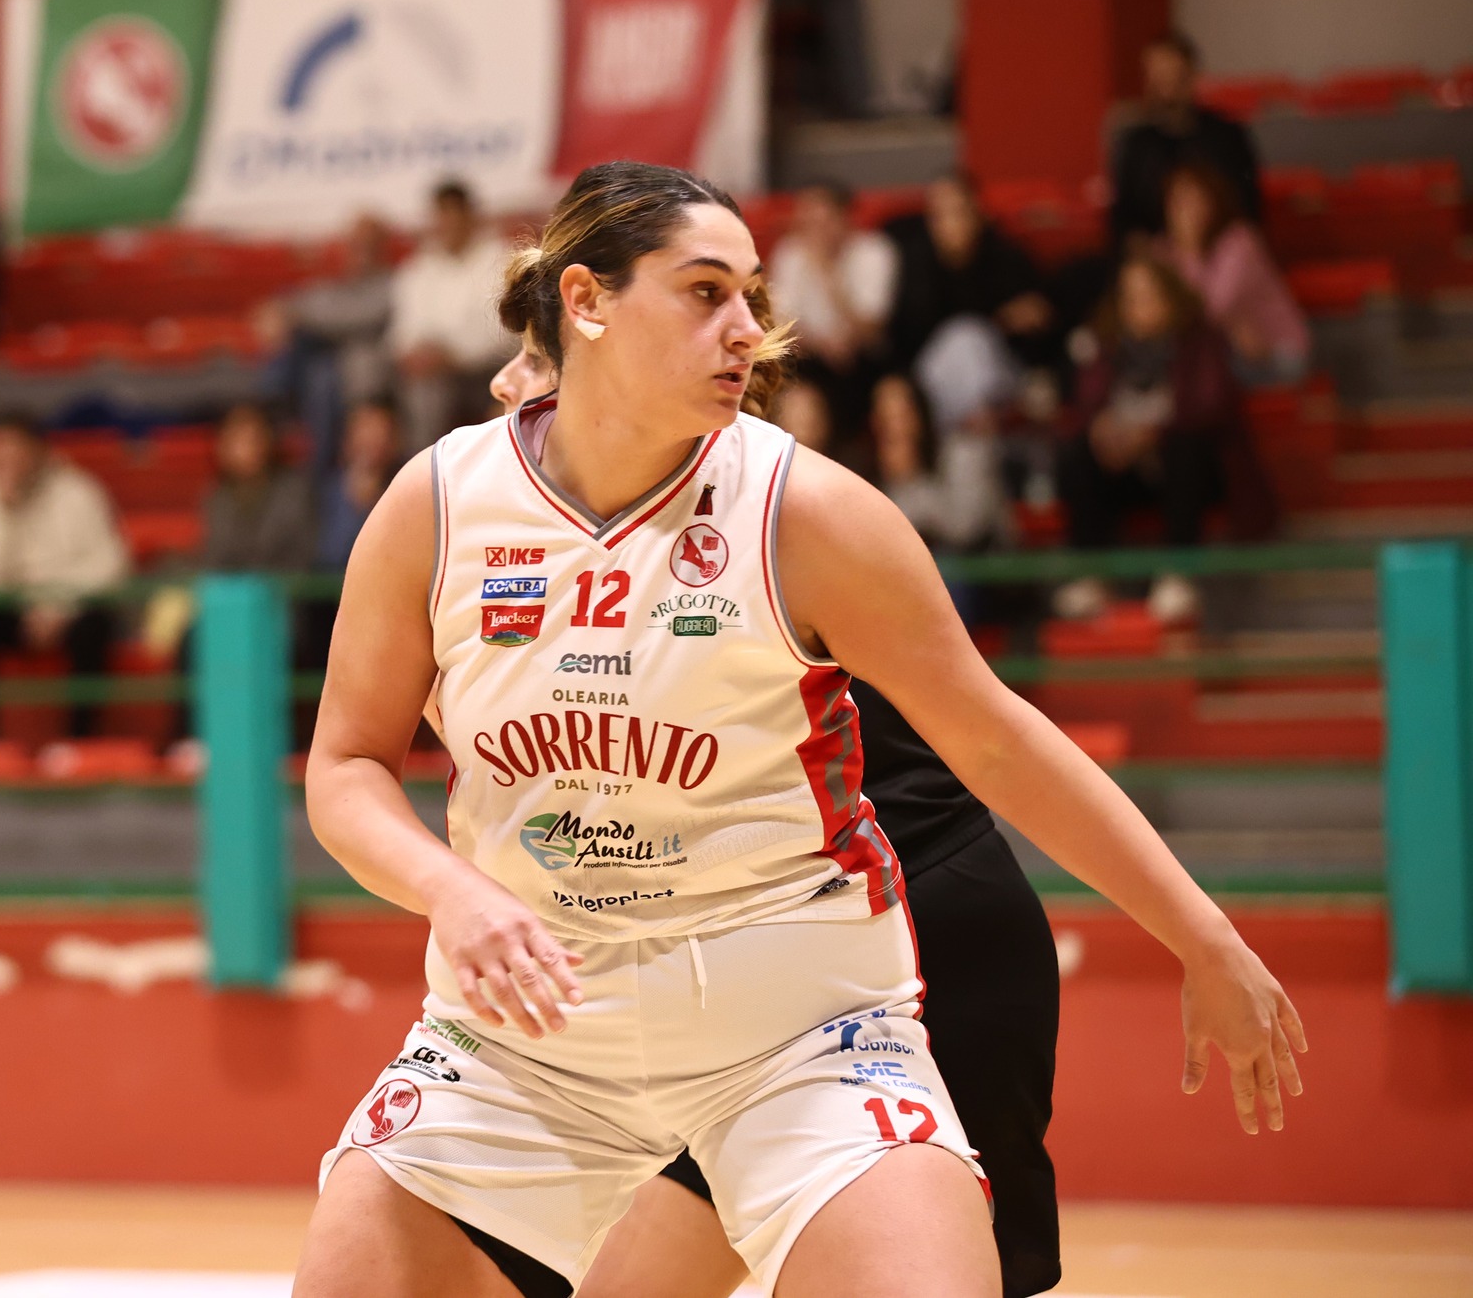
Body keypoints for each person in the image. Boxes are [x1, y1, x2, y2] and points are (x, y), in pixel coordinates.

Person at [293, 161, 1304, 1298]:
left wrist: (1202, 937)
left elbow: (998, 743)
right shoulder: (436, 504)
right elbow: (345, 764)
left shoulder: (810, 512)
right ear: (584, 302)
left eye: (752, 296)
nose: (748, 329)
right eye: (704, 292)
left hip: (797, 1028)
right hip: (527, 1035)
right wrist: (452, 891)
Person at [485, 335, 1055, 1298]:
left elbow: (999, 741)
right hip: (761, 975)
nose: (505, 381)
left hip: (916, 936)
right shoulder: (540, 540)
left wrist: (1199, 937)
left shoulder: (781, 517)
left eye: (535, 357)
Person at [1054, 256, 1250, 625]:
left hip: (1187, 468)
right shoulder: (1105, 345)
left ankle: (1179, 575)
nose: (1138, 306)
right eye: (1130, 297)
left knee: (1185, 450)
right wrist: (1101, 431)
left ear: (1170, 296)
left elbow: (1210, 406)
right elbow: (1086, 406)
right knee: (1076, 454)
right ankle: (1091, 575)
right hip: (1124, 468)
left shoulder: (1198, 340)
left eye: (1148, 295)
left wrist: (1152, 436)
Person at [0, 411, 130, 741]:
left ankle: (81, 740)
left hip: (71, 609)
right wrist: (4, 514)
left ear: (40, 451)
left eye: (18, 449)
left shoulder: (80, 493)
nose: (11, 460)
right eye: (2, 451)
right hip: (13, 609)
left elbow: (111, 565)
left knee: (95, 626)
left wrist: (58, 607)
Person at [887, 174, 1056, 399]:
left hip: (1002, 374)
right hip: (936, 381)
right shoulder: (915, 264)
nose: (951, 224)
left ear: (977, 213)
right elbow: (913, 334)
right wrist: (1001, 320)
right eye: (940, 215)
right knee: (966, 340)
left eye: (958, 212)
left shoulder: (1008, 258)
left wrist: (1032, 316)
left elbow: (1039, 319)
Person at [256, 214, 397, 478]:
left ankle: (319, 469)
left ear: (382, 249)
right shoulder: (335, 287)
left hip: (368, 386)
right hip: (325, 373)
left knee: (322, 377)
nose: (361, 254)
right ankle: (270, 406)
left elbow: (354, 317)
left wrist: (295, 314)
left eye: (369, 245)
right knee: (302, 353)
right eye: (355, 246)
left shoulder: (393, 285)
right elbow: (294, 306)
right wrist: (281, 311)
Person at [389, 180, 517, 454]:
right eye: (441, 216)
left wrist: (451, 356)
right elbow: (404, 329)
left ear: (470, 216)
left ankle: (427, 468)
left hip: (484, 373)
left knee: (428, 392)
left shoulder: (502, 260)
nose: (447, 224)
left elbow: (503, 331)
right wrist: (415, 353)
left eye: (453, 215)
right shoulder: (419, 267)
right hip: (427, 372)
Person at [1153, 162, 1309, 385]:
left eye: (1196, 199)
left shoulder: (1240, 241)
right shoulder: (1162, 251)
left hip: (1276, 352)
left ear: (1214, 202)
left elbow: (1211, 309)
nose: (1187, 210)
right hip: (1212, 353)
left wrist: (1190, 249)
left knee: (1194, 381)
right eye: (1178, 201)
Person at [766, 181, 896, 438]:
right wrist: (822, 344)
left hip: (865, 361)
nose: (815, 232)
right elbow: (780, 325)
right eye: (808, 223)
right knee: (798, 400)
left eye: (823, 222)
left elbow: (871, 330)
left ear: (845, 219)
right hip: (809, 358)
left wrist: (827, 272)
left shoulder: (874, 251)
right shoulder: (791, 253)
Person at [1110, 32, 1262, 246]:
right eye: (1159, 80)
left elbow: (1247, 210)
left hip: (1217, 251)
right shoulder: (1137, 144)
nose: (1167, 90)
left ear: (1192, 76)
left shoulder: (1227, 136)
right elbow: (1124, 219)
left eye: (1175, 78)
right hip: (1155, 254)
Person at [868, 373, 1005, 553]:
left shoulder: (962, 453)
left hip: (986, 560)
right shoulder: (868, 470)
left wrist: (911, 480)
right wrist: (899, 480)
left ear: (921, 416)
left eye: (901, 416)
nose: (895, 429)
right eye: (885, 419)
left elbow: (964, 528)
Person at [203, 403, 317, 574]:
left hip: (287, 587)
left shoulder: (294, 492)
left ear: (268, 441)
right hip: (232, 588)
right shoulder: (217, 499)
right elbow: (215, 561)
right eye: (237, 441)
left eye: (252, 440)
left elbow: (302, 559)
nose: (246, 449)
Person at [314, 400, 400, 573]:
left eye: (380, 432)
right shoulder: (322, 492)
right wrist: (354, 506)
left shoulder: (405, 492)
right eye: (365, 429)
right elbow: (327, 556)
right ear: (346, 440)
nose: (372, 440)